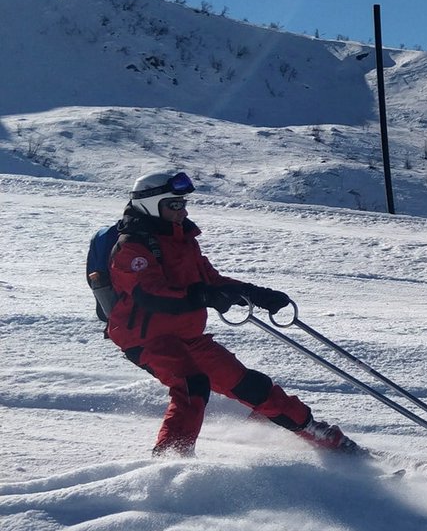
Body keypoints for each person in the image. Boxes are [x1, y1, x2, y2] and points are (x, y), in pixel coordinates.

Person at [103, 170, 356, 456]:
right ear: (150, 204)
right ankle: (171, 461)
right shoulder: (131, 247)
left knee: (251, 386)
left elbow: (210, 280)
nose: (182, 210)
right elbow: (151, 296)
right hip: (147, 339)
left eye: (183, 203)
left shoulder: (183, 240)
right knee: (192, 385)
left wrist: (256, 294)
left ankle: (321, 435)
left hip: (188, 336)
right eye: (173, 205)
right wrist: (205, 297)